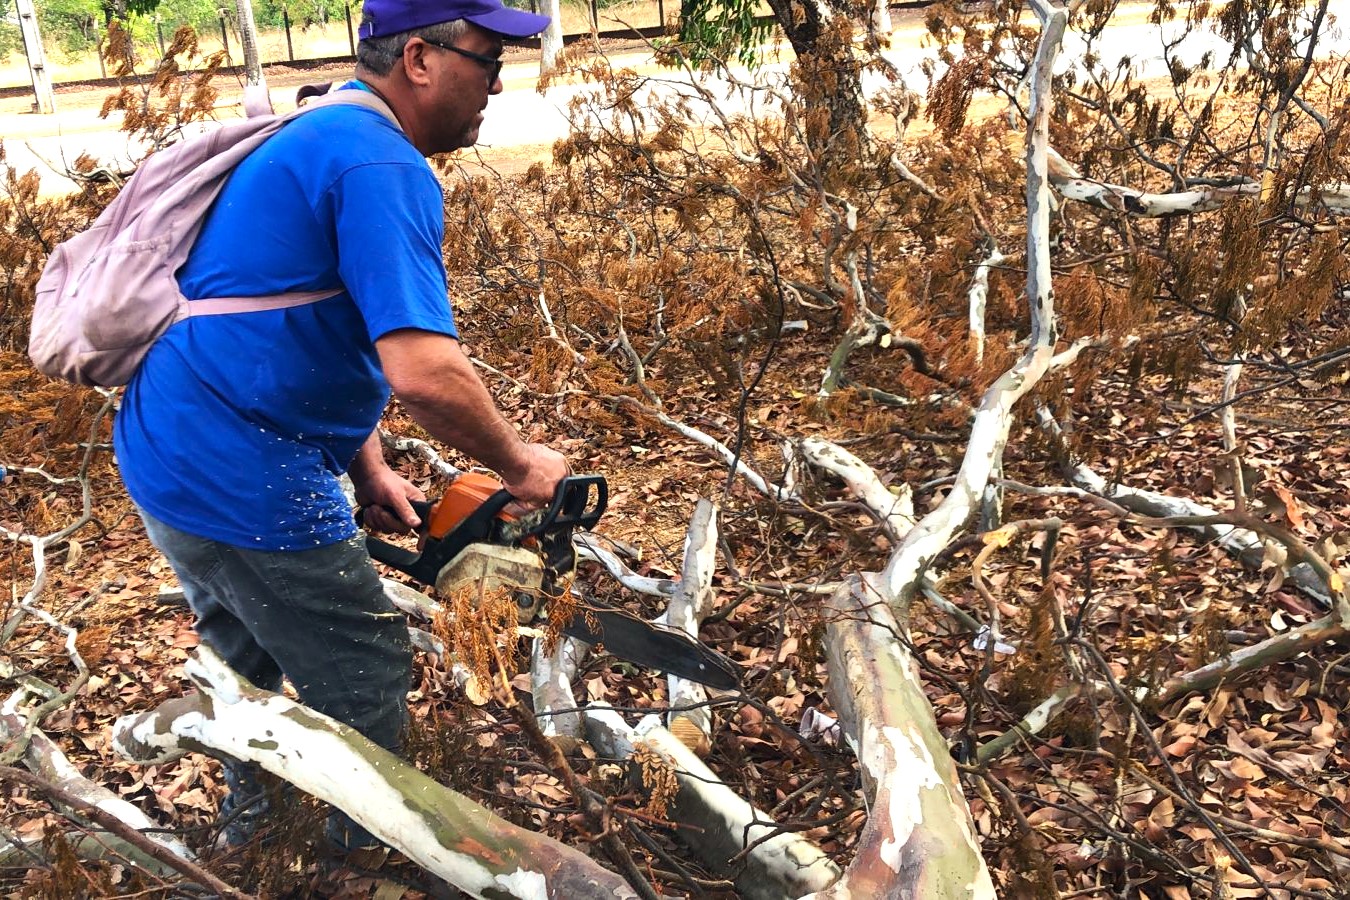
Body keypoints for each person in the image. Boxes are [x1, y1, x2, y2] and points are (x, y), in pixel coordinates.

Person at [111, 0, 567, 855]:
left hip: (172, 443)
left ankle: (256, 834)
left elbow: (296, 308)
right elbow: (424, 373)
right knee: (366, 670)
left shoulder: (323, 129)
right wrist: (519, 464)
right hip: (237, 464)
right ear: (422, 59)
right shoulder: (379, 167)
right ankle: (361, 859)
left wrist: (368, 470)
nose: (498, 83)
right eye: (487, 59)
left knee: (242, 657)